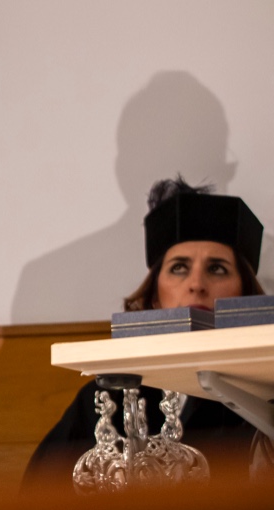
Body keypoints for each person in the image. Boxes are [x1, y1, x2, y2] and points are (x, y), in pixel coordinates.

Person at [24, 178, 268, 485]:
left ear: (245, 294)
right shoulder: (108, 396)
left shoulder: (265, 393)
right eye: (179, 267)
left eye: (217, 268)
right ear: (154, 295)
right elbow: (41, 495)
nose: (197, 284)